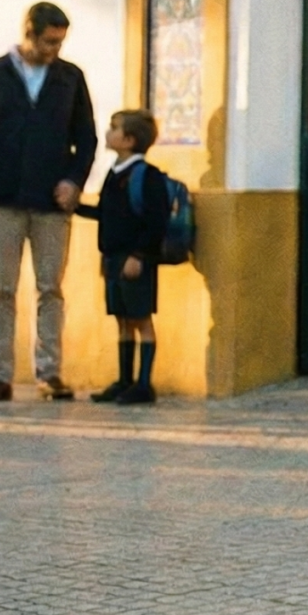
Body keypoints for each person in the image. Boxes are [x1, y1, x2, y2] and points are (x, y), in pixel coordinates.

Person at [0, 2, 98, 403]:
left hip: (52, 202)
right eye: (49, 41)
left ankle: (49, 372)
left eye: (60, 42)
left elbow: (85, 138)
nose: (55, 50)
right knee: (1, 289)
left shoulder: (70, 78)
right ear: (29, 34)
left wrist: (74, 180)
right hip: (3, 199)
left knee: (50, 289)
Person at [75, 110, 171, 405]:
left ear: (129, 140)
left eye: (114, 128)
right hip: (113, 257)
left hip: (135, 260)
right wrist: (76, 207)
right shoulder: (114, 173)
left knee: (141, 319)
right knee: (123, 319)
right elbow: (107, 213)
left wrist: (139, 255)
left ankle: (144, 383)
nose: (108, 133)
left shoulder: (147, 176)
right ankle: (124, 379)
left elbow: (156, 221)